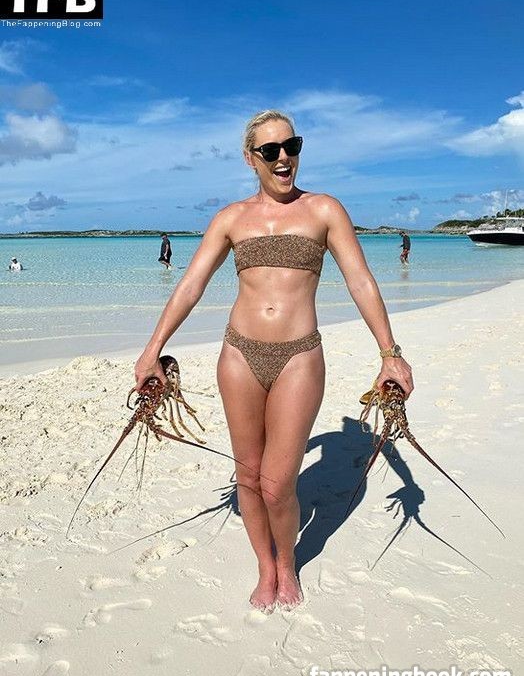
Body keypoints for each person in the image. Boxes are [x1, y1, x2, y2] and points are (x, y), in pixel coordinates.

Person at [135, 110, 413, 612]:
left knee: (278, 482)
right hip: (239, 354)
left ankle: (287, 563)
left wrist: (390, 354)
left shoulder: (324, 209)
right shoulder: (230, 219)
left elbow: (360, 280)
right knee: (248, 476)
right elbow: (191, 284)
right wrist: (152, 350)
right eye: (271, 150)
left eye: (292, 146)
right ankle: (265, 568)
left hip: (299, 355)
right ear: (251, 158)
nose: (284, 158)